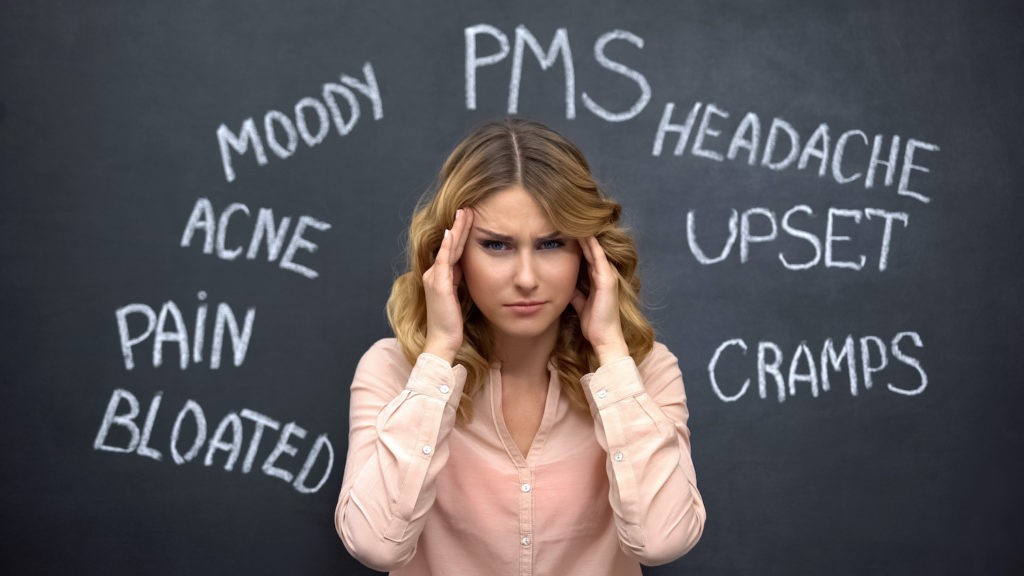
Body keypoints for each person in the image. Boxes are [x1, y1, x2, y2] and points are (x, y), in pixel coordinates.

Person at [335, 117, 705, 575]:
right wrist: (439, 353)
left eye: (552, 243)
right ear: (452, 254)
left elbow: (662, 541)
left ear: (588, 255)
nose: (527, 279)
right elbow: (376, 547)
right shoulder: (391, 370)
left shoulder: (647, 372)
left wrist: (611, 350)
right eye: (497, 246)